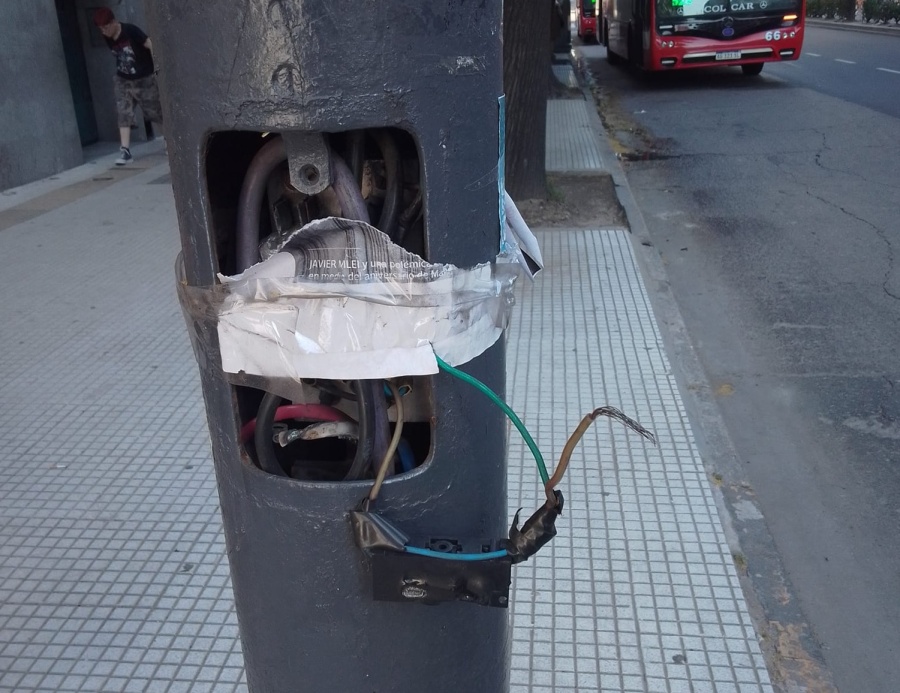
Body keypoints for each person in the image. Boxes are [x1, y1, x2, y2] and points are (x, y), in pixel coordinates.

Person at [93, 8, 163, 165]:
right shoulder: (107, 37)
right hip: (123, 79)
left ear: (113, 22)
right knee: (123, 112)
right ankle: (125, 151)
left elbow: (150, 43)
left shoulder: (130, 30)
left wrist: (156, 65)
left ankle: (169, 140)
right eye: (101, 29)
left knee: (155, 112)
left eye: (106, 28)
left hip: (144, 78)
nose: (104, 32)